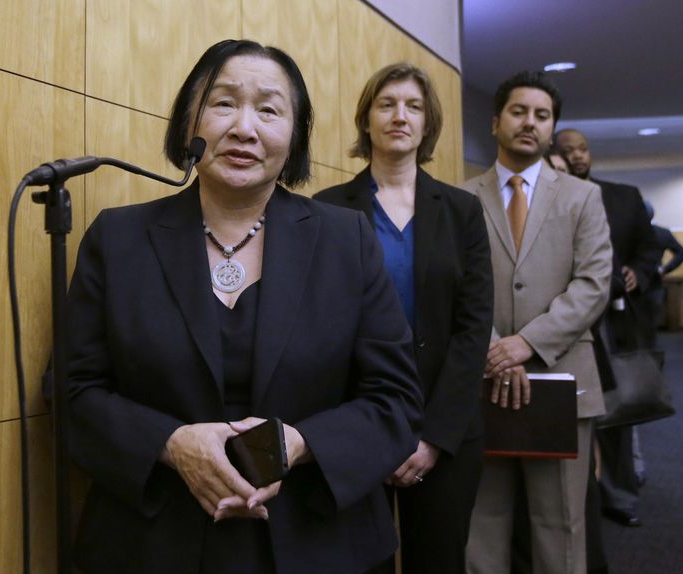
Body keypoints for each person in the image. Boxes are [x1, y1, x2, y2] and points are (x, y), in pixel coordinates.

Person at [63, 39, 423, 574]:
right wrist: (171, 443)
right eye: (224, 103)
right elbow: (73, 391)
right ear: (189, 121)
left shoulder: (346, 240)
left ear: (295, 136)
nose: (244, 128)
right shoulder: (118, 239)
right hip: (153, 540)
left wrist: (298, 443)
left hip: (318, 538)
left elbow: (396, 399)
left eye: (269, 110)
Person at [315, 63, 494, 574]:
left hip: (445, 425)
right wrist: (362, 432)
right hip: (353, 424)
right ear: (365, 119)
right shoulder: (326, 211)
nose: (400, 116)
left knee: (438, 561)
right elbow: (317, 327)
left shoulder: (462, 211)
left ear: (428, 123)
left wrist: (433, 436)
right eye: (387, 104)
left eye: (413, 106)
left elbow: (473, 328)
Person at [461, 71, 612, 574]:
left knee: (560, 524)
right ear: (495, 122)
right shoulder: (461, 198)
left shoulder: (582, 197)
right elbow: (454, 286)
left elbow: (593, 284)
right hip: (481, 378)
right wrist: (494, 350)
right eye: (519, 111)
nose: (530, 122)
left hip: (561, 379)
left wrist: (525, 343)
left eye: (542, 116)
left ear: (551, 129)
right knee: (482, 520)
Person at [557, 128, 661, 530]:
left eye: (582, 149)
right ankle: (576, 502)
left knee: (617, 413)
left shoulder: (623, 196)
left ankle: (619, 497)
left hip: (614, 320)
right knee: (568, 414)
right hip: (562, 317)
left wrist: (639, 271)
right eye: (569, 151)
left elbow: (649, 246)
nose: (578, 156)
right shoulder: (550, 197)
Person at [645, 200, 683, 328]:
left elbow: (681, 253)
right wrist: (665, 269)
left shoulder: (628, 233)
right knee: (651, 318)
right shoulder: (662, 233)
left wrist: (666, 269)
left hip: (637, 280)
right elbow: (681, 253)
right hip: (654, 279)